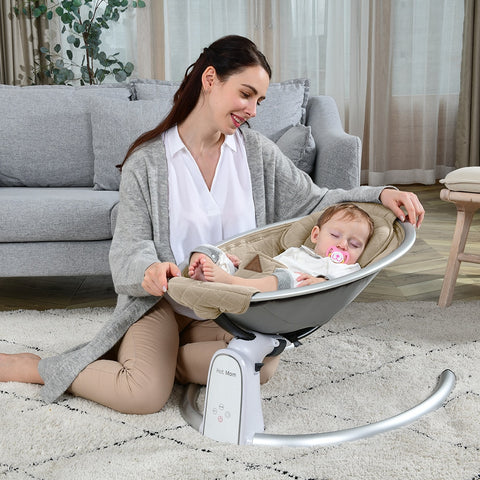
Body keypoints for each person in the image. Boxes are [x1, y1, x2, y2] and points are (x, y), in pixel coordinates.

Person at [0, 35, 425, 415]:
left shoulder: (255, 152)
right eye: (245, 93)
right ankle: (34, 367)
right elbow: (129, 246)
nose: (252, 110)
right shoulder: (147, 162)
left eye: (259, 100)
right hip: (163, 303)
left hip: (225, 303)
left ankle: (161, 363)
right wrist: (149, 270)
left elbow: (315, 200)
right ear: (210, 79)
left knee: (260, 366)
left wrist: (381, 193)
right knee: (143, 397)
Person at [188, 203, 374, 292]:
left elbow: (344, 283)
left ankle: (229, 281)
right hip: (265, 279)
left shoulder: (346, 268)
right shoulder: (297, 252)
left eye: (354, 244)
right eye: (335, 236)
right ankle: (222, 266)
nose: (342, 245)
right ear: (316, 235)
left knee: (286, 278)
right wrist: (242, 265)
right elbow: (270, 266)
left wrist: (323, 281)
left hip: (288, 291)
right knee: (248, 260)